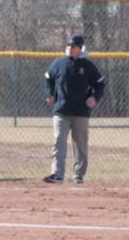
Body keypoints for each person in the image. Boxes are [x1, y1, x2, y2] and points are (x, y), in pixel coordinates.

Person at [43, 34, 105, 184]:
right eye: (69, 45)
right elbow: (48, 78)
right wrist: (49, 94)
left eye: (74, 46)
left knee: (80, 144)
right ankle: (57, 174)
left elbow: (100, 83)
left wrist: (94, 98)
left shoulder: (88, 66)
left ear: (80, 48)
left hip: (81, 112)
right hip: (61, 110)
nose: (70, 48)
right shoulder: (59, 63)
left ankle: (78, 174)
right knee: (58, 141)